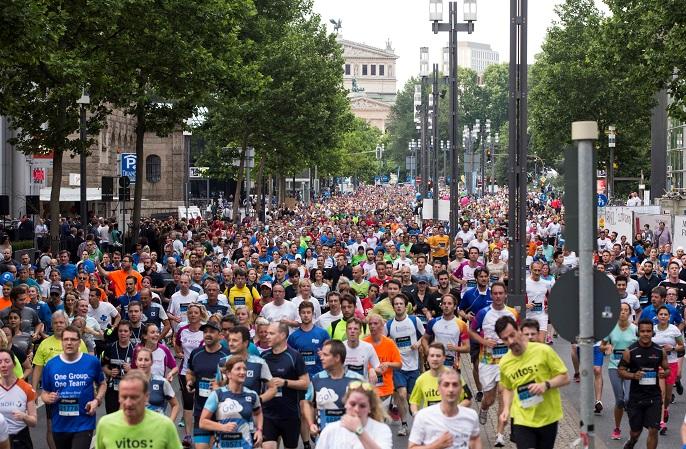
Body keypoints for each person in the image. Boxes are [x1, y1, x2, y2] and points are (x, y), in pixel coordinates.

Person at [496, 316, 569, 449]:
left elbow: (564, 377)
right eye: (505, 339)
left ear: (519, 330)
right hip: (522, 418)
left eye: (512, 335)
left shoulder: (543, 351)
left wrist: (545, 385)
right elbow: (507, 388)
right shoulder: (504, 362)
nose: (511, 341)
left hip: (548, 416)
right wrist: (506, 408)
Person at [469, 281, 519, 446]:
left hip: (507, 361)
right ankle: (483, 408)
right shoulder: (483, 313)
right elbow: (470, 331)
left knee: (503, 396)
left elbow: (518, 334)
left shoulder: (512, 313)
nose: (498, 296)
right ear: (491, 295)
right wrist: (484, 341)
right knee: (489, 398)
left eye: (501, 293)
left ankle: (499, 434)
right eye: (495, 293)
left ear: (505, 295)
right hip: (488, 361)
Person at [41, 325, 106, 449]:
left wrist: (96, 400)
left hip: (83, 423)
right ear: (62, 342)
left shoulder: (92, 362)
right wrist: (47, 398)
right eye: (66, 339)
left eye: (73, 339)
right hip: (60, 424)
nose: (69, 343)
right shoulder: (51, 365)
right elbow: (44, 392)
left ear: (79, 341)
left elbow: (102, 384)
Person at [32, 310, 88, 449]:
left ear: (67, 323)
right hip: (53, 394)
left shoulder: (78, 342)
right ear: (52, 325)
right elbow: (37, 368)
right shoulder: (44, 344)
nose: (58, 325)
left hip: (75, 392)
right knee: (52, 427)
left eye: (61, 322)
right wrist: (33, 390)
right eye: (56, 323)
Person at [94, 370, 182, 449]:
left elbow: (175, 405)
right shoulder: (105, 424)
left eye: (134, 397)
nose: (128, 403)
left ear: (146, 397)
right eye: (124, 397)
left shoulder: (165, 426)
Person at [619, 319, 670, 449]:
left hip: (654, 397)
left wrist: (665, 373)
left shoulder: (660, 351)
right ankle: (632, 441)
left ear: (652, 333)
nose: (645, 334)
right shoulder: (630, 351)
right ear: (638, 333)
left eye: (648, 331)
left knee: (653, 430)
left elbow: (667, 368)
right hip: (636, 397)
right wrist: (633, 375)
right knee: (636, 432)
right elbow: (621, 371)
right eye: (642, 331)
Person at [261, 322, 310, 449]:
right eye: (267, 333)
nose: (267, 336)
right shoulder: (263, 357)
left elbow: (305, 383)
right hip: (268, 415)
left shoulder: (294, 356)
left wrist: (285, 382)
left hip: (290, 415)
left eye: (271, 333)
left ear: (283, 335)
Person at [408, 368, 482, 449]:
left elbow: (475, 439)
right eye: (446, 385)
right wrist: (436, 445)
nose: (451, 389)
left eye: (455, 385)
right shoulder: (423, 416)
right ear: (438, 389)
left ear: (461, 389)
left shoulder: (471, 416)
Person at [200, 356, 264, 449]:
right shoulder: (218, 395)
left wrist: (259, 430)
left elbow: (258, 413)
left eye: (244, 369)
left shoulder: (252, 395)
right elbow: (202, 423)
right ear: (229, 374)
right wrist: (222, 427)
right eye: (238, 369)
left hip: (245, 446)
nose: (242, 372)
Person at [303, 339, 364, 435]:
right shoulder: (316, 379)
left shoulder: (357, 380)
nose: (321, 358)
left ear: (337, 358)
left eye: (325, 355)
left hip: (350, 439)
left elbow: (370, 409)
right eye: (321, 354)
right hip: (324, 439)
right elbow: (307, 402)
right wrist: (311, 424)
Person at [385, 294, 424, 435]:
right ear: (393, 306)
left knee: (410, 398)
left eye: (401, 303)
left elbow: (425, 335)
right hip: (398, 367)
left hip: (413, 366)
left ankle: (417, 421)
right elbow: (383, 341)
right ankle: (404, 425)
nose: (399, 306)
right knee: (401, 395)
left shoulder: (414, 320)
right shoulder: (389, 325)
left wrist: (418, 343)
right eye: (396, 304)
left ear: (406, 306)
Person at [316, 380, 392, 449]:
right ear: (345, 403)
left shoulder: (381, 429)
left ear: (370, 408)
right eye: (352, 404)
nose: (356, 409)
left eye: (362, 406)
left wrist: (359, 431)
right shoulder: (330, 430)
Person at [600, 302, 638, 441]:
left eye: (626, 310)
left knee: (628, 398)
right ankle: (617, 428)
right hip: (614, 366)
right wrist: (607, 347)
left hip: (630, 368)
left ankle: (633, 427)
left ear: (629, 313)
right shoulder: (610, 328)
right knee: (620, 400)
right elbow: (602, 347)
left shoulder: (635, 329)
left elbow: (642, 346)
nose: (623, 312)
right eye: (620, 310)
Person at [652, 305, 684, 435]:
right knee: (661, 393)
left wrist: (672, 348)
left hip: (671, 364)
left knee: (668, 395)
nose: (663, 316)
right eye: (661, 314)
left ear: (669, 317)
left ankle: (666, 409)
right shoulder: (653, 330)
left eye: (665, 314)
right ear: (657, 316)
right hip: (658, 364)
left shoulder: (674, 330)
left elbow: (682, 346)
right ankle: (661, 422)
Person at [0, 348, 37, 449]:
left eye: (7, 361)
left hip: (20, 439)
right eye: (0, 362)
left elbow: (33, 422)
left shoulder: (26, 388)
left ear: (14, 364)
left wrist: (24, 417)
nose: (3, 365)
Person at [422, 294, 470, 370]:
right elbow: (424, 339)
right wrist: (427, 349)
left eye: (449, 303)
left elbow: (467, 348)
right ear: (441, 306)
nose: (446, 306)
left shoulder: (461, 324)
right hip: (435, 363)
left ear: (454, 307)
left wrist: (455, 348)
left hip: (452, 365)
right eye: (444, 303)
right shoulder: (433, 322)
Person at [134, 347, 179, 421]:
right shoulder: (129, 383)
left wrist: (169, 423)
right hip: (136, 429)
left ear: (152, 362)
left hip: (158, 428)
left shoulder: (162, 382)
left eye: (146, 360)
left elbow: (175, 405)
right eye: (140, 360)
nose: (143, 363)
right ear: (136, 362)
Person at [101, 320, 135, 414]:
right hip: (113, 389)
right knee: (112, 417)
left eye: (125, 331)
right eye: (120, 331)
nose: (123, 333)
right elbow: (103, 365)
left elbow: (143, 371)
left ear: (130, 333)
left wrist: (131, 370)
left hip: (130, 389)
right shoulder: (110, 347)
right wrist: (109, 372)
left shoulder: (136, 349)